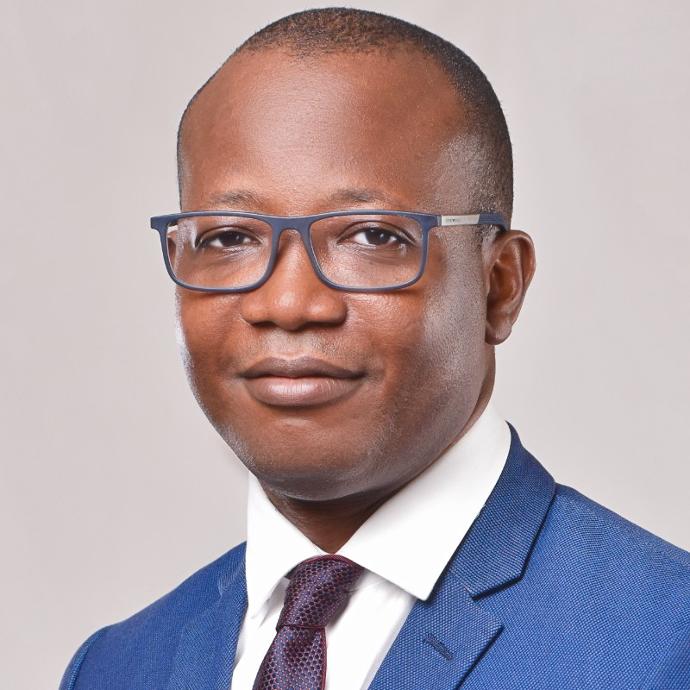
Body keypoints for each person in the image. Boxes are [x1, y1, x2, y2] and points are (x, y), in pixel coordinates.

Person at [59, 8, 690, 690]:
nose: (288, 303)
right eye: (228, 238)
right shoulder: (115, 667)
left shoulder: (663, 642)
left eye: (372, 236)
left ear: (499, 286)